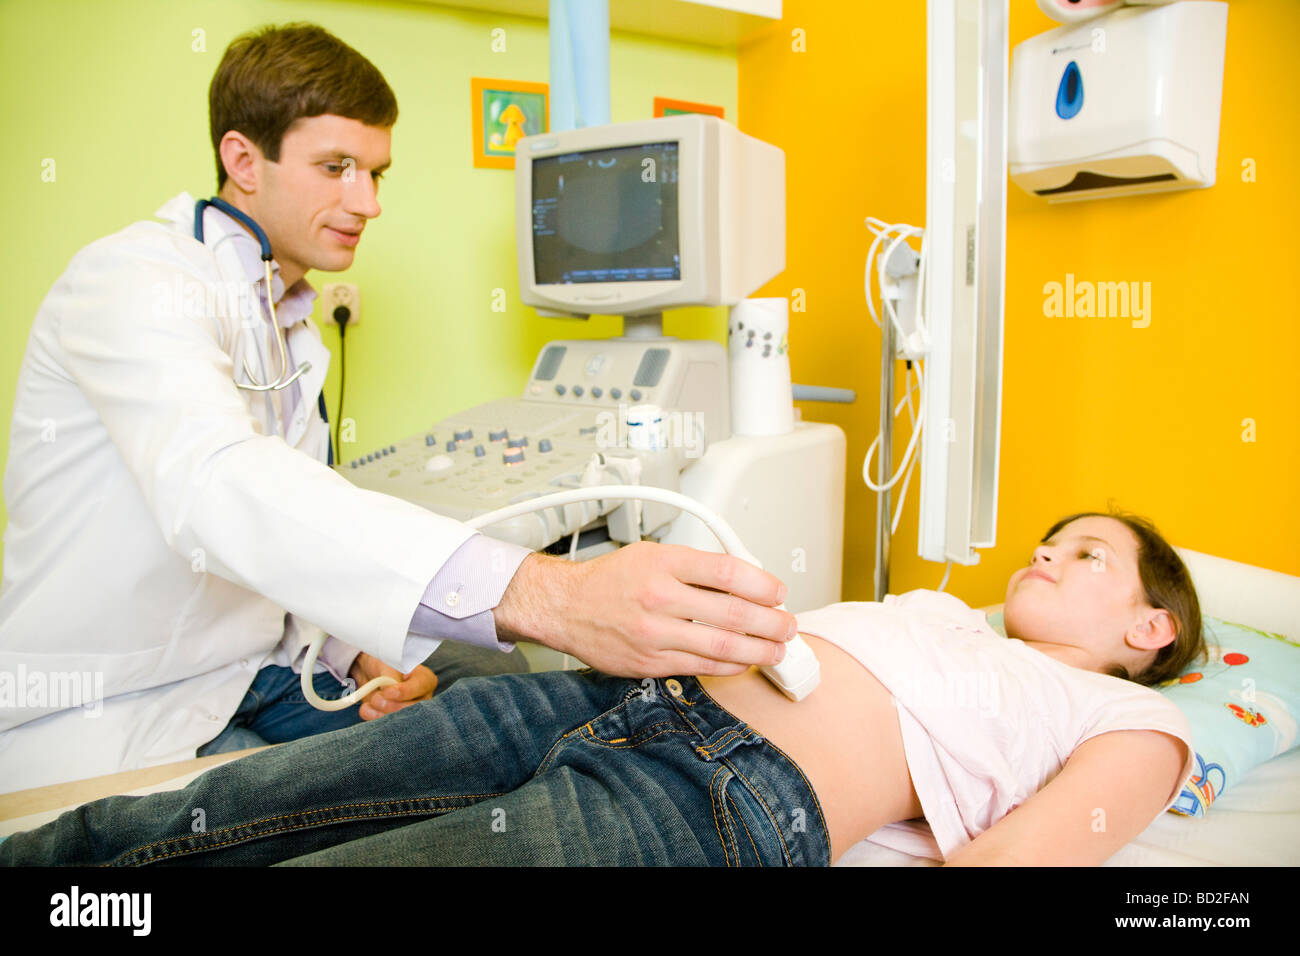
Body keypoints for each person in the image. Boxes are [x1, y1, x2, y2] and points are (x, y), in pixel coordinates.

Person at [0, 23, 796, 793]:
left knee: (501, 692)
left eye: (376, 173)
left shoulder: (288, 323)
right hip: (129, 702)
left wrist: (353, 653)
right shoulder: (133, 280)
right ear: (243, 158)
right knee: (419, 799)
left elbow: (296, 533)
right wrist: (554, 596)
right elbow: (221, 488)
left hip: (260, 670)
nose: (368, 202)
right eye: (338, 166)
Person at [0, 509, 1206, 866]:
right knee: (234, 813)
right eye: (1049, 536)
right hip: (593, 696)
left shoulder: (1135, 719)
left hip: (710, 796)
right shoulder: (942, 608)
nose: (1046, 552)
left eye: (1085, 552)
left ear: (1149, 625)